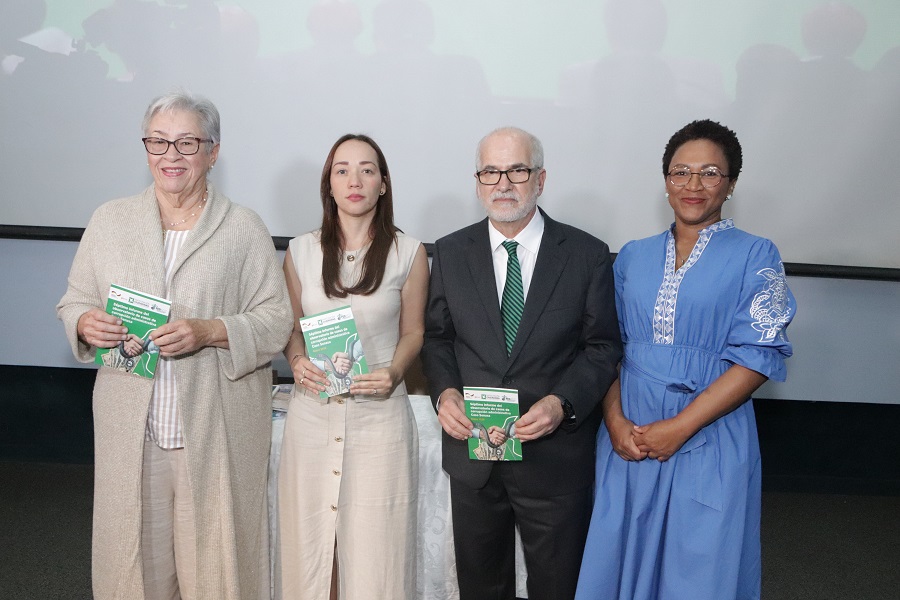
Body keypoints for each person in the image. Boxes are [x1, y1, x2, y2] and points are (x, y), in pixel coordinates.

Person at [56, 91, 293, 600]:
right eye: (159, 141)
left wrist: (210, 331)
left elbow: (277, 321)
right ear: (145, 149)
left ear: (213, 151)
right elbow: (74, 301)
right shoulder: (110, 220)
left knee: (215, 569)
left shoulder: (242, 227)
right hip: (132, 434)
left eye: (187, 142)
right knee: (136, 570)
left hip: (214, 435)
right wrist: (85, 323)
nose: (171, 155)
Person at [575, 119, 796, 600]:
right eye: (681, 172)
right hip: (629, 435)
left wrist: (680, 427)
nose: (693, 185)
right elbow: (607, 347)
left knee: (697, 566)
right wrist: (614, 422)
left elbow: (758, 356)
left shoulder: (756, 254)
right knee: (619, 557)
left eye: (710, 173)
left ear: (731, 184)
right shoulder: (632, 256)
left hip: (709, 432)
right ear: (666, 180)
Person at [422, 126, 622, 600]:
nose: (503, 184)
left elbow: (602, 348)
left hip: (554, 457)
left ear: (540, 179)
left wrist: (561, 403)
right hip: (475, 452)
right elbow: (437, 338)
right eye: (490, 172)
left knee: (558, 587)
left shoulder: (586, 254)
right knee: (482, 587)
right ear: (477, 183)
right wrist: (445, 393)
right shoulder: (450, 252)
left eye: (517, 170)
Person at [278, 134, 429, 599]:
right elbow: (289, 328)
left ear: (383, 183)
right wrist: (297, 360)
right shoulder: (300, 251)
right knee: (311, 548)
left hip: (379, 419)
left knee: (376, 556)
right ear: (329, 184)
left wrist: (395, 372)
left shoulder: (409, 252)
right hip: (312, 414)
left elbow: (414, 332)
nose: (354, 180)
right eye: (342, 170)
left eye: (367, 170)